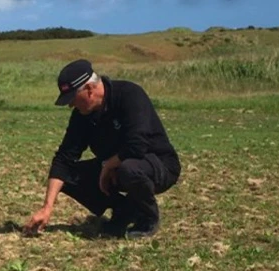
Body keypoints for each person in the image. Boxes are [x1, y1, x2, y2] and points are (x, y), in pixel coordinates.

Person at [24, 59, 181, 238]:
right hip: (117, 168)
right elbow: (63, 158)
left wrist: (108, 165)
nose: (71, 105)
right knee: (66, 175)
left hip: (158, 165)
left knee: (128, 168)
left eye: (73, 98)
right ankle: (125, 210)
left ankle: (147, 217)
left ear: (89, 89)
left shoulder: (130, 94)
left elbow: (137, 145)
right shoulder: (82, 116)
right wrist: (47, 208)